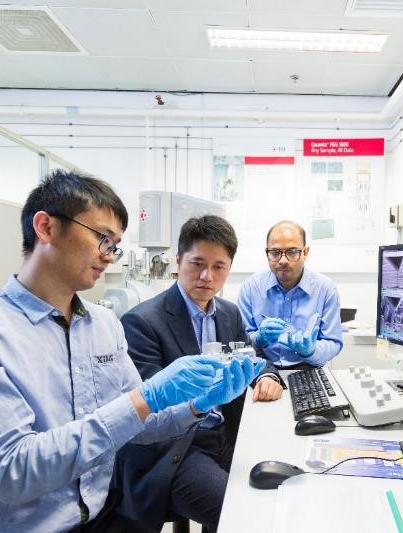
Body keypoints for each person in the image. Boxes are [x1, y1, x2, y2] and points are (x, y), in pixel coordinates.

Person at [0, 170, 262, 532]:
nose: (109, 256)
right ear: (45, 227)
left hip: (98, 515)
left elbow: (139, 427)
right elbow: (12, 471)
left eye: (115, 245)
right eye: (102, 239)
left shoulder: (103, 325)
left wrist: (195, 405)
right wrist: (145, 397)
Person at [115, 215, 283, 533]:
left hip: (225, 436)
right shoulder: (142, 322)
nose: (207, 276)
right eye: (197, 264)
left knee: (280, 492)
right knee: (241, 514)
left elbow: (257, 358)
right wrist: (201, 402)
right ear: (178, 261)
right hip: (175, 448)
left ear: (229, 268)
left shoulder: (229, 314)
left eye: (219, 266)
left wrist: (267, 377)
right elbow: (148, 410)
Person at [238, 220, 344, 369]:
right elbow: (240, 343)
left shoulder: (325, 289)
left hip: (308, 368)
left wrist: (311, 351)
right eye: (275, 253)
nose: (282, 260)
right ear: (266, 253)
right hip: (262, 368)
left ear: (305, 252)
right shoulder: (251, 287)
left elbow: (333, 342)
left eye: (292, 252)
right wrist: (258, 339)